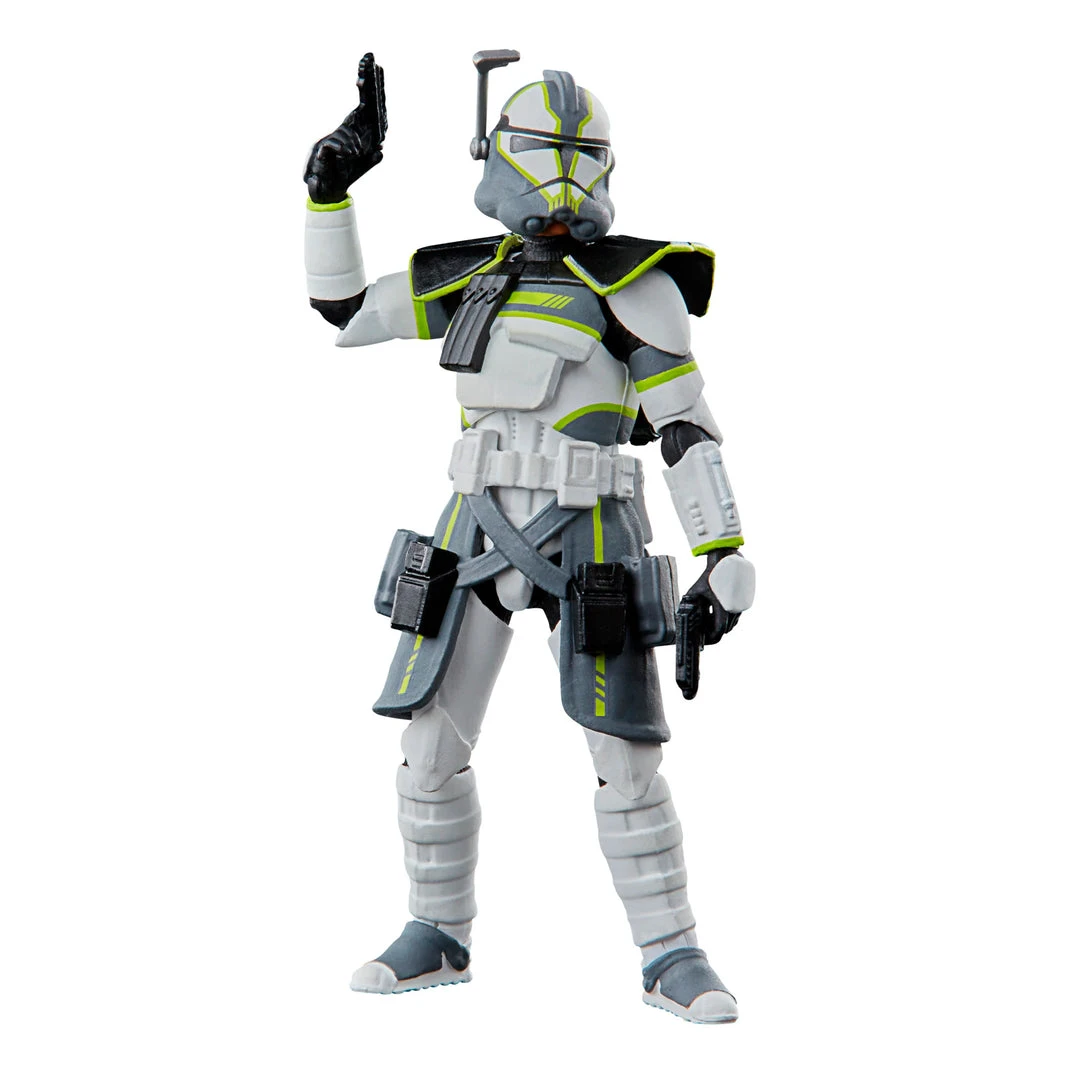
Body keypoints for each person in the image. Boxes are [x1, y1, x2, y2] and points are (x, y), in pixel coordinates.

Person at [303, 53, 755, 1024]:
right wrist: (329, 194)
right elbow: (343, 309)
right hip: (473, 523)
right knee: (429, 743)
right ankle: (437, 929)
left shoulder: (635, 284)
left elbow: (685, 428)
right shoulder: (470, 274)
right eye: (544, 148)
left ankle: (671, 950)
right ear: (498, 152)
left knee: (624, 755)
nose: (562, 170)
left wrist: (723, 554)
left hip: (590, 529)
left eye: (579, 152)